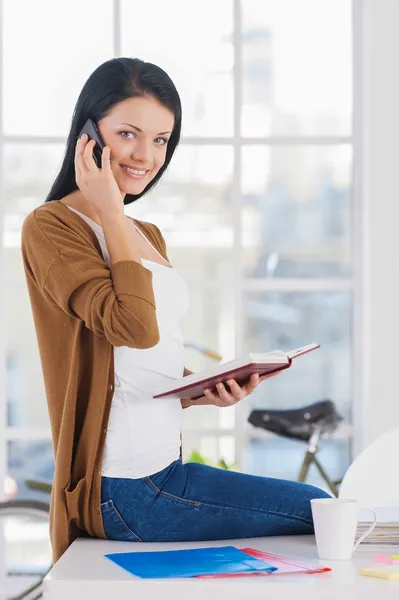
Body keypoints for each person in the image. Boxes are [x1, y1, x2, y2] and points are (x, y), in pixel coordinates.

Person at [21, 57, 330, 564]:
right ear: (88, 136)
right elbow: (135, 327)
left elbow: (134, 362)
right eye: (127, 133)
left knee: (318, 520)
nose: (145, 155)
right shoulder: (52, 227)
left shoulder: (145, 234)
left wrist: (200, 390)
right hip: (126, 488)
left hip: (164, 469)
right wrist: (110, 212)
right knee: (318, 510)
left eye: (162, 139)